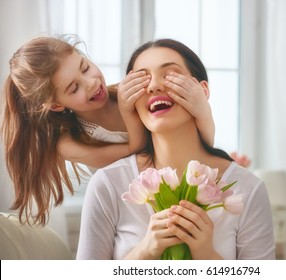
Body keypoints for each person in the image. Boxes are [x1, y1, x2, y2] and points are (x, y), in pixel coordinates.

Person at [76, 39, 275, 260]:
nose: (154, 86)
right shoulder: (108, 184)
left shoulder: (248, 189)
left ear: (203, 90)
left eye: (170, 75)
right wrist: (146, 251)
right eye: (141, 80)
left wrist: (206, 254)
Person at [0, 35, 215, 226]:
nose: (91, 82)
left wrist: (202, 110)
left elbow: (201, 142)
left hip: (179, 188)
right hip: (133, 211)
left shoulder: (131, 92)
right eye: (74, 88)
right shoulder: (69, 144)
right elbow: (138, 154)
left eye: (85, 67)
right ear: (56, 105)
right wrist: (128, 112)